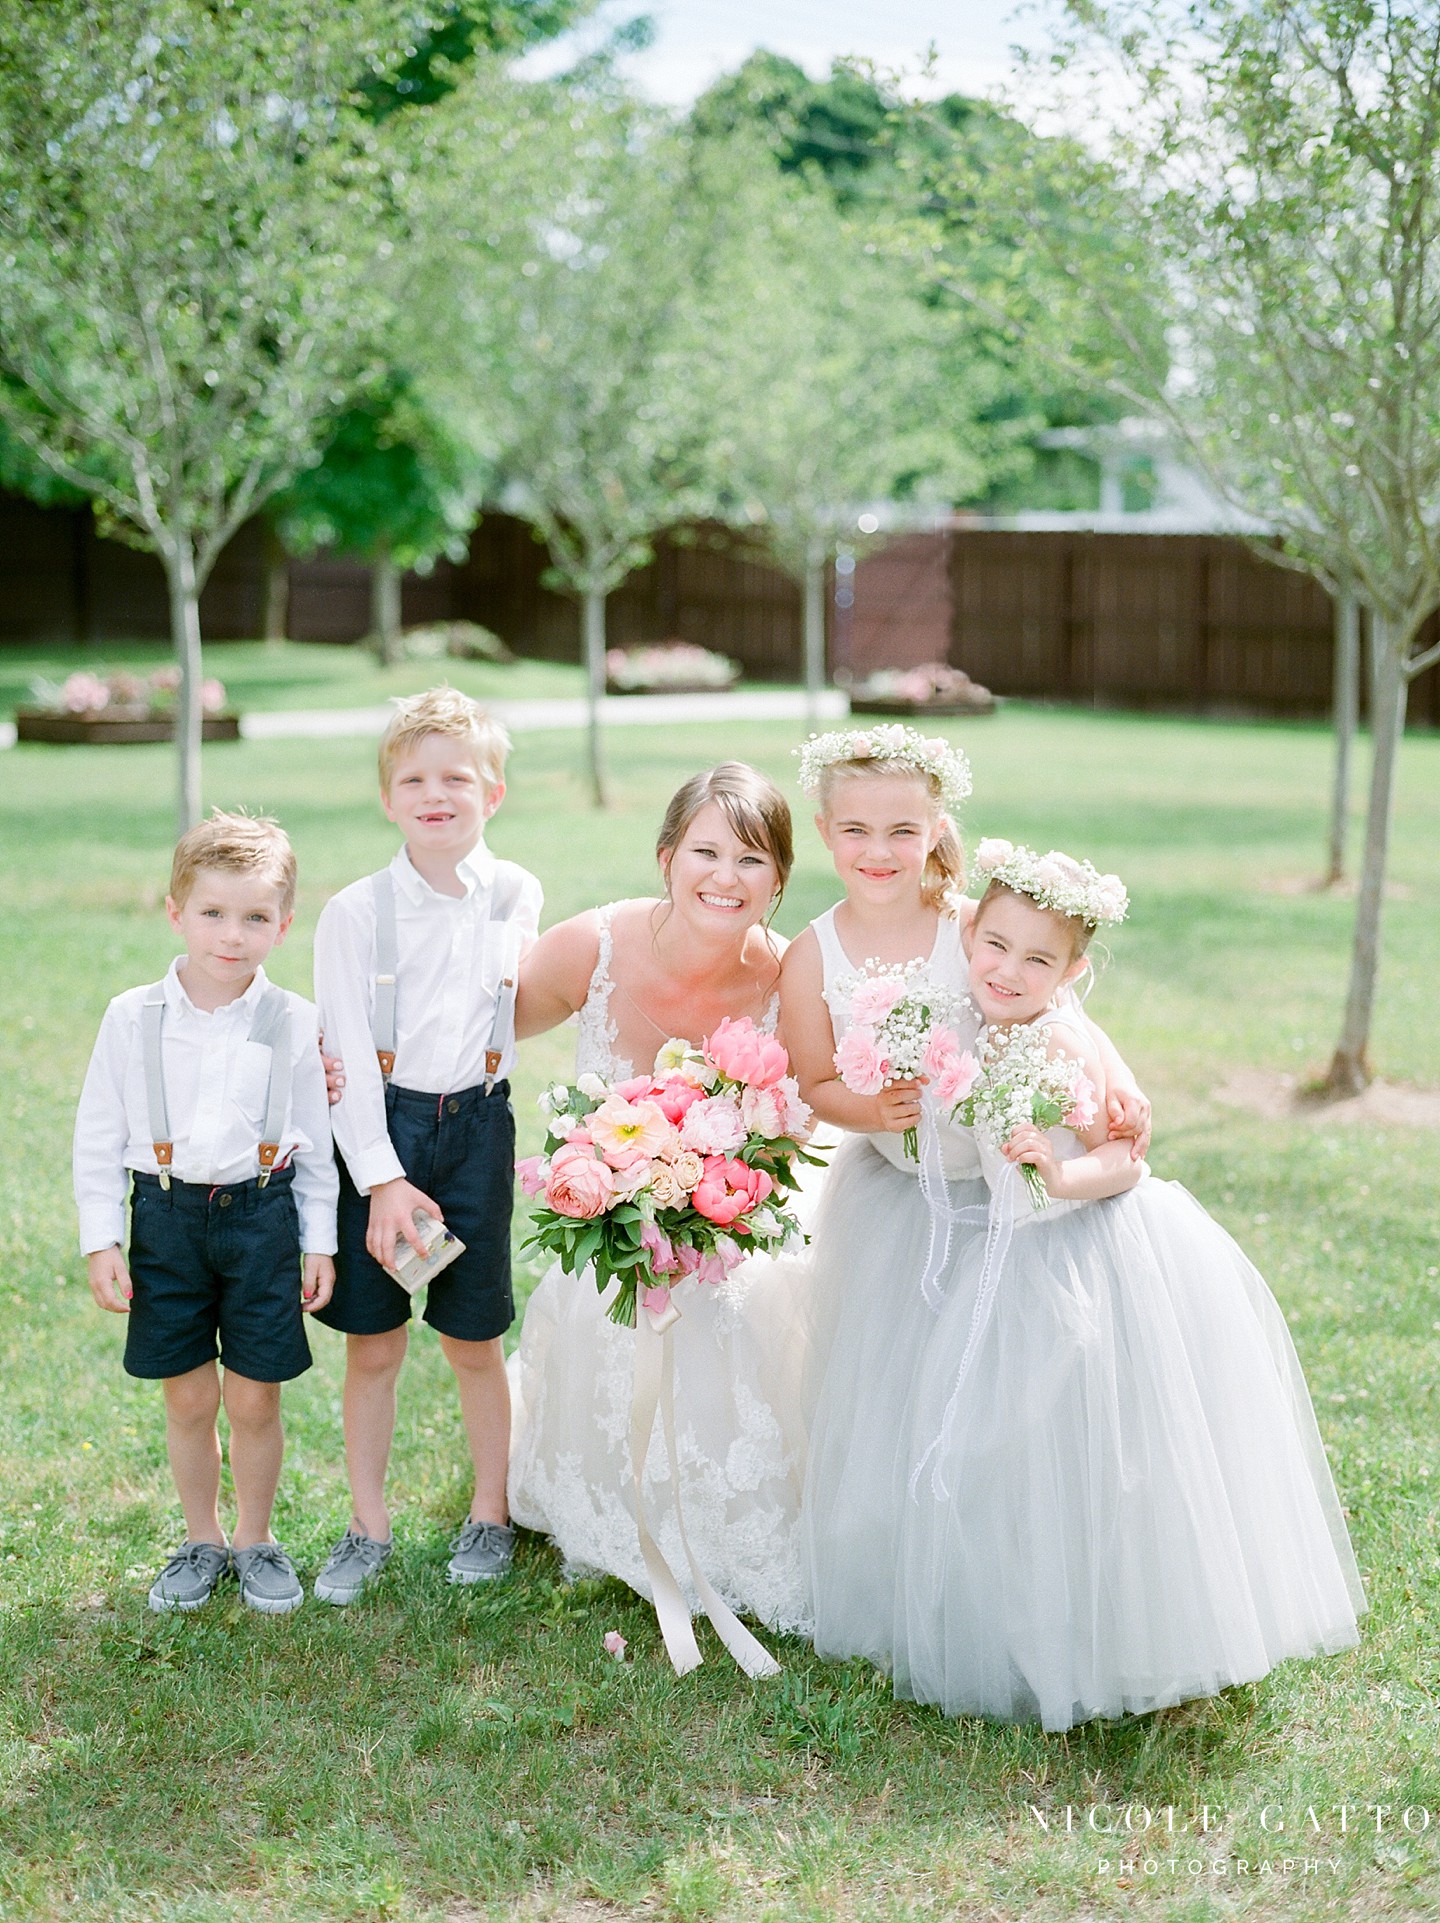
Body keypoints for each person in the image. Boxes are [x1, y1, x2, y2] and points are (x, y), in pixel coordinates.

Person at [887, 841, 1365, 1729]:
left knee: (1098, 1448)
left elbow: (1123, 1159)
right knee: (1010, 1446)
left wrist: (1058, 1174)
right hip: (1011, 1251)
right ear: (970, 933)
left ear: (1072, 972)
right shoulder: (979, 1018)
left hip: (1081, 1251)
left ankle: (1124, 1630)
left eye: (1038, 960)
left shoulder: (1060, 1039)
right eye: (996, 945)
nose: (1009, 970)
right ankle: (1023, 1616)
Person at [777, 726, 1149, 1667]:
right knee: (900, 1394)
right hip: (901, 1198)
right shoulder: (813, 954)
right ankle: (907, 1568)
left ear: (936, 829)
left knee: (1015, 1395)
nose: (879, 851)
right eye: (856, 830)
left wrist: (1118, 1076)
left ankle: (1028, 1572)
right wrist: (869, 1106)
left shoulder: (970, 921)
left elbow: (1059, 1002)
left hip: (1004, 1193)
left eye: (903, 831)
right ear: (824, 832)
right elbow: (813, 1080)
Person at [507, 762, 815, 1633]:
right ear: (666, 855)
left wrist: (722, 1200)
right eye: (706, 852)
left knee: (745, 1308)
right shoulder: (592, 947)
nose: (726, 876)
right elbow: (478, 1030)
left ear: (779, 879)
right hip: (614, 1238)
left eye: (752, 859)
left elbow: (799, 1118)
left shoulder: (789, 976)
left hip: (732, 1234)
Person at [73, 811, 337, 1614]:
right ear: (175, 912)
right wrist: (101, 1238)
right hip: (166, 1217)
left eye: (255, 916)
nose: (232, 934)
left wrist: (319, 1242)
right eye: (213, 912)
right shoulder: (132, 1016)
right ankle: (202, 1537)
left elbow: (315, 1145)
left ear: (283, 924)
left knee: (255, 1396)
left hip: (262, 1219)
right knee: (188, 1396)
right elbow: (96, 1136)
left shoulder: (295, 1020)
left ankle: (256, 1537)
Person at [311, 687, 541, 1604]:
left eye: (457, 778)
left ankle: (491, 1511)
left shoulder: (518, 892)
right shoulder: (354, 912)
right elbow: (343, 1058)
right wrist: (382, 1180)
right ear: (386, 797)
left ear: (494, 793)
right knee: (374, 1344)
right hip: (380, 1130)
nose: (434, 794)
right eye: (413, 779)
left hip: (479, 1128)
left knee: (475, 1339)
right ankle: (368, 1524)